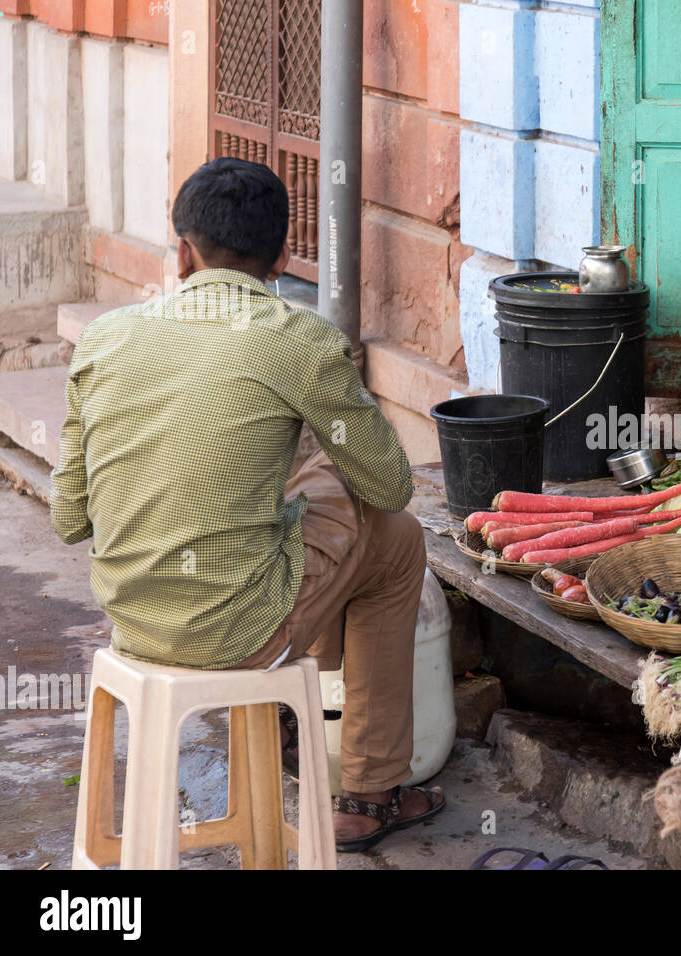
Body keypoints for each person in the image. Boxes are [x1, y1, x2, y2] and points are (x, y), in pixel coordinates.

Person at [50, 157, 443, 853]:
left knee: (295, 488)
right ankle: (369, 793)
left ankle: (292, 718)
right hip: (235, 633)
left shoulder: (105, 339)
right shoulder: (299, 339)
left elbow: (68, 520)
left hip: (134, 624)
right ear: (283, 258)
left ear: (182, 252)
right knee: (395, 537)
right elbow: (390, 487)